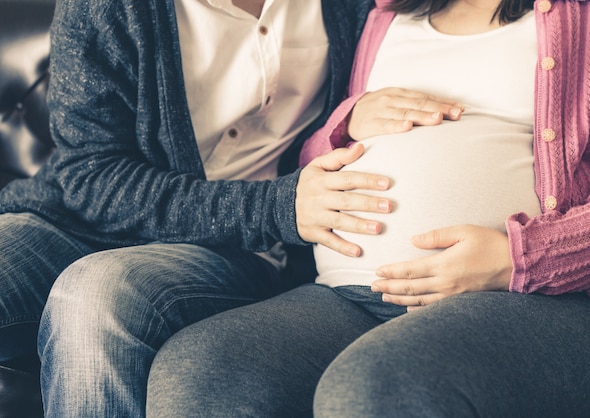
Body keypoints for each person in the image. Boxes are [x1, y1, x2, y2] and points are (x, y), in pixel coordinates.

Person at [145, 0, 590, 417]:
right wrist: (348, 120)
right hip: (350, 292)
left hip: (536, 299)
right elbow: (315, 158)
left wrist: (519, 258)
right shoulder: (384, 14)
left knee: (378, 387)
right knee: (203, 368)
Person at [0, 0, 427, 415]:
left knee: (96, 294)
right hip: (76, 218)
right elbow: (91, 175)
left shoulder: (349, 8)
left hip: (237, 248)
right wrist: (276, 206)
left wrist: (348, 117)